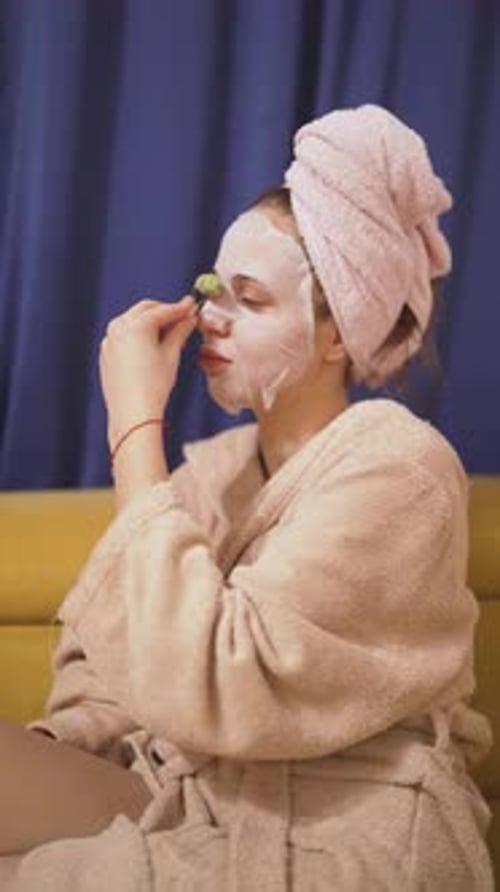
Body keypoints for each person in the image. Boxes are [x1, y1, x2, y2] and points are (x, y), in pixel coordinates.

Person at [0, 104, 494, 890]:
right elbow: (102, 669)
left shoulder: (401, 469)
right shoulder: (212, 475)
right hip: (183, 788)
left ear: (338, 335)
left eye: (251, 300)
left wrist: (135, 426)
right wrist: (65, 748)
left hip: (343, 818)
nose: (210, 320)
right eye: (211, 291)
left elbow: (221, 679)